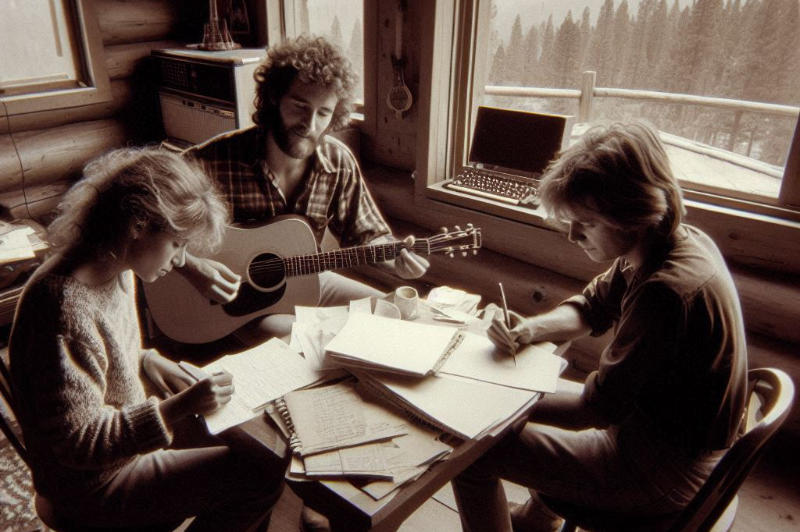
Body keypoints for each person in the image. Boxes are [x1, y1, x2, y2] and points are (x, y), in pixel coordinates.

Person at [451, 122, 749, 532]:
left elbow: (594, 410)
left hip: (662, 472)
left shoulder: (665, 293)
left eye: (586, 223)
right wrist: (530, 331)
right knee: (519, 409)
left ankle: (533, 514)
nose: (572, 235)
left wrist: (496, 395)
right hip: (661, 434)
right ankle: (539, 520)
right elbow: (592, 307)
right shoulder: (670, 242)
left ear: (631, 214)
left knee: (470, 453)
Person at [9, 147, 288, 531]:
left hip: (116, 447)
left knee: (262, 453)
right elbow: (81, 444)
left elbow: (106, 357)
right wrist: (177, 407)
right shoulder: (64, 308)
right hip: (93, 486)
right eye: (177, 244)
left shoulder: (114, 264)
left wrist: (147, 360)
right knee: (258, 476)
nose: (179, 260)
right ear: (137, 224)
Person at [177, 35, 430, 344]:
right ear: (273, 97)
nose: (310, 125)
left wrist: (397, 260)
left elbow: (368, 234)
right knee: (302, 338)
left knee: (397, 313)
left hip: (307, 279)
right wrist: (191, 266)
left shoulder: (338, 162)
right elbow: (142, 216)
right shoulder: (210, 162)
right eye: (299, 106)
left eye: (324, 113)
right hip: (239, 304)